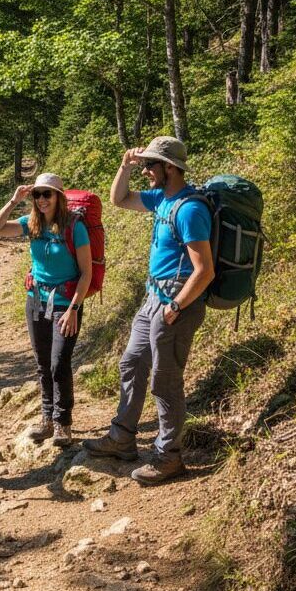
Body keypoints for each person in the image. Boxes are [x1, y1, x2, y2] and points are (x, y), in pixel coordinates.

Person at [83, 136, 215, 485]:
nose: (146, 172)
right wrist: (124, 166)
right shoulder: (162, 199)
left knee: (165, 380)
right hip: (153, 299)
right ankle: (122, 438)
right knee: (131, 362)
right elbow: (119, 199)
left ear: (170, 168)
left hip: (175, 303)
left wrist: (176, 306)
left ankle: (168, 457)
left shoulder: (190, 210)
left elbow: (205, 270)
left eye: (150, 166)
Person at [0, 173, 92, 447]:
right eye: (38, 195)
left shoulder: (74, 227)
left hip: (65, 304)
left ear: (60, 196)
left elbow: (86, 273)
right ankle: (47, 418)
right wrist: (14, 200)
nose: (42, 199)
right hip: (35, 301)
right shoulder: (31, 224)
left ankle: (63, 422)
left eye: (48, 194)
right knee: (43, 363)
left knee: (59, 363)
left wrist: (74, 309)